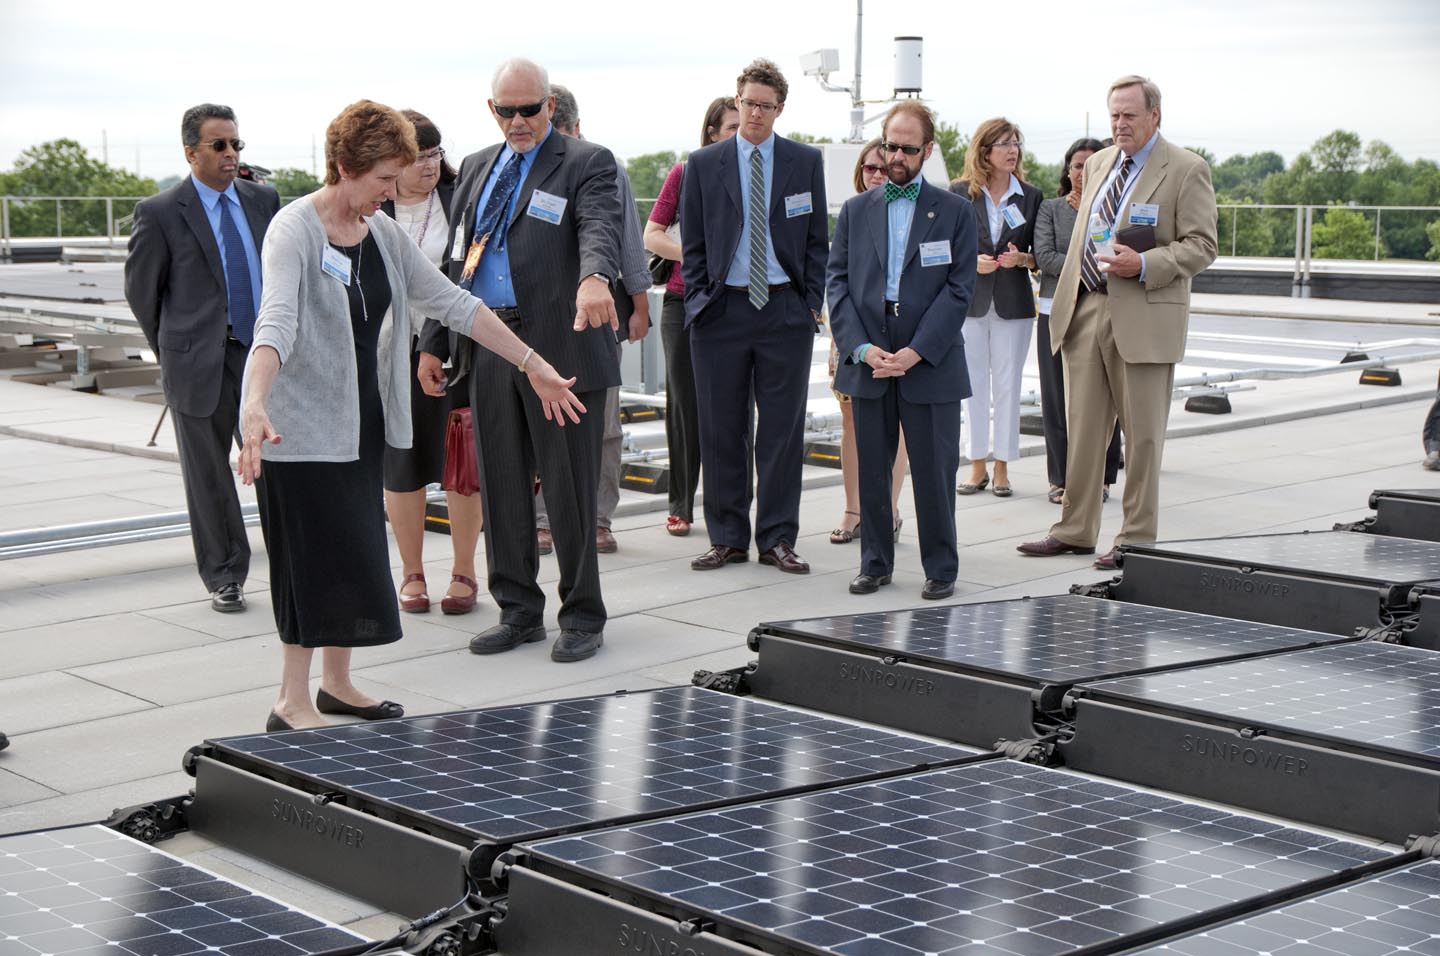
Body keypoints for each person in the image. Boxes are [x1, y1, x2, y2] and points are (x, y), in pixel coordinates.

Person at [238, 99, 584, 731]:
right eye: (381, 182)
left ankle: (335, 685)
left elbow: (456, 304)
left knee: (351, 552)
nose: (391, 193)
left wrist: (532, 362)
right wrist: (253, 404)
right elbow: (275, 324)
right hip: (295, 429)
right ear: (343, 167)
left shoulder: (384, 234)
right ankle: (290, 700)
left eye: (398, 180)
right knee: (307, 563)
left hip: (358, 422)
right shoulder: (294, 229)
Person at [419, 58, 620, 663]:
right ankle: (518, 609)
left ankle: (582, 614)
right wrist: (433, 339)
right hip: (488, 344)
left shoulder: (587, 162)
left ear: (550, 107)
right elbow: (458, 263)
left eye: (529, 109)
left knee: (568, 488)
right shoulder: (478, 168)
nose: (518, 121)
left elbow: (599, 228)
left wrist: (594, 278)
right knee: (502, 482)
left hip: (562, 346)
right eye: (506, 111)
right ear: (491, 111)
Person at [1018, 75, 1218, 569]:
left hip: (1144, 312)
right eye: (1113, 115)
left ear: (1154, 116)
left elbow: (1202, 246)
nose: (1119, 124)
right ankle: (1074, 528)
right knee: (1082, 428)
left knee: (1142, 435)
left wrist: (1145, 265)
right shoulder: (1102, 162)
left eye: (1129, 115)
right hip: (1087, 304)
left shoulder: (1187, 169)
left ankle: (1136, 538)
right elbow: (1090, 229)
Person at [125, 104, 279, 614]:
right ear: (191, 152)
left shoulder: (264, 201)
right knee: (209, 475)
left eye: (236, 144)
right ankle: (225, 574)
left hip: (262, 358)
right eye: (219, 145)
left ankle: (293, 562)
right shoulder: (161, 212)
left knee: (281, 464)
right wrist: (177, 349)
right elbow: (143, 295)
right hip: (198, 363)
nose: (231, 154)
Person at [680, 58, 828, 575]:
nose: (757, 113)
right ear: (736, 101)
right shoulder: (704, 164)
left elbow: (816, 241)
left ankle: (777, 538)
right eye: (749, 103)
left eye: (767, 106)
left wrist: (810, 302)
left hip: (784, 307)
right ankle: (727, 537)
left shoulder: (803, 162)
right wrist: (700, 298)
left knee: (782, 431)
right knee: (722, 427)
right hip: (722, 309)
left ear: (780, 109)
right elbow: (693, 243)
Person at [827, 101, 978, 601]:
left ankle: (940, 567)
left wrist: (916, 351)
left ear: (928, 151)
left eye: (908, 149)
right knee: (872, 468)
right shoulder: (855, 210)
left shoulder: (955, 211)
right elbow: (838, 284)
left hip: (928, 359)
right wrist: (861, 348)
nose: (895, 156)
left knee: (934, 469)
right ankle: (875, 562)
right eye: (889, 145)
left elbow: (959, 289)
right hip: (870, 358)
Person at [533, 84, 650, 556]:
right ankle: (543, 519)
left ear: (575, 129)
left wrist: (639, 304)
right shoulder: (516, 168)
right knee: (538, 421)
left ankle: (599, 517)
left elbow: (627, 240)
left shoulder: (602, 166)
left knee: (602, 421)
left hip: (598, 313)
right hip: (533, 317)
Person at [379, 110, 483, 615]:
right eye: (416, 158)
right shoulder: (369, 207)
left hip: (459, 351)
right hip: (391, 351)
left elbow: (467, 275)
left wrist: (436, 344)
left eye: (435, 155)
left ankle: (464, 571)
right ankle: (412, 572)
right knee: (403, 463)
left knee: (463, 462)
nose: (429, 166)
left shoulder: (460, 199)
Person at [644, 97, 739, 538]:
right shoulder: (685, 174)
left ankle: (732, 505)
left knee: (735, 406)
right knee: (684, 404)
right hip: (684, 301)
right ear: (712, 134)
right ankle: (681, 503)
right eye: (731, 128)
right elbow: (652, 234)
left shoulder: (761, 179)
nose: (740, 135)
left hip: (737, 304)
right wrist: (697, 255)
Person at [951, 118, 1044, 499]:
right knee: (971, 385)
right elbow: (943, 249)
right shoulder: (959, 193)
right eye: (1004, 144)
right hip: (969, 302)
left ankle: (1003, 466)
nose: (1013, 150)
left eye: (1016, 143)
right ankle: (976, 465)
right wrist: (970, 261)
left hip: (1013, 302)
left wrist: (1022, 259)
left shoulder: (1031, 197)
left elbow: (1042, 254)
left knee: (1008, 385)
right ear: (984, 150)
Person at [829, 138, 910, 545]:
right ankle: (854, 508)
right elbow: (837, 277)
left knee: (897, 424)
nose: (877, 174)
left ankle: (890, 509)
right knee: (851, 423)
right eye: (869, 168)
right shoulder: (852, 214)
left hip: (898, 335)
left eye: (883, 167)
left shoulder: (911, 213)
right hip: (853, 335)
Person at [1034, 137, 1122, 505]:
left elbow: (1114, 257)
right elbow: (1044, 256)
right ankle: (1060, 478)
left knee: (1105, 400)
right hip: (1056, 310)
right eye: (1076, 166)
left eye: (1092, 165)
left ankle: (1100, 476)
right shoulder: (1051, 209)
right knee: (1056, 397)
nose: (1083, 172)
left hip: (1103, 310)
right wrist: (1086, 264)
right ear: (1067, 171)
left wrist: (1078, 261)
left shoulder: (1113, 209)